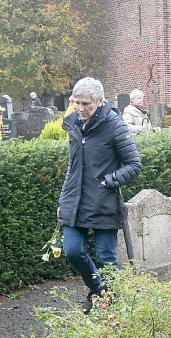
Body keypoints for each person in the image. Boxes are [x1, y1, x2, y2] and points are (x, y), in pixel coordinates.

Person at [58, 77, 142, 313]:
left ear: (100, 101)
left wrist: (108, 181)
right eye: (77, 103)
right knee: (72, 251)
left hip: (104, 201)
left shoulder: (115, 125)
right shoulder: (73, 123)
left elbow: (134, 164)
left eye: (86, 104)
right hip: (76, 201)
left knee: (106, 259)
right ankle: (99, 291)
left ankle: (112, 309)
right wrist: (63, 200)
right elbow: (73, 166)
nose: (81, 109)